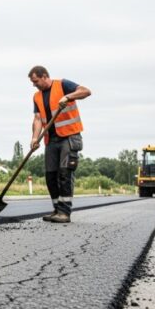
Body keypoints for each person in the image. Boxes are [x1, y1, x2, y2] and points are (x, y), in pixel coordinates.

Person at [28, 65, 91, 223]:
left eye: (36, 81)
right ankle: (56, 209)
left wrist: (68, 97)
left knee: (64, 173)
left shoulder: (63, 85)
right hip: (51, 139)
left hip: (68, 137)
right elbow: (37, 119)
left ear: (44, 76)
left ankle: (64, 212)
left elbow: (86, 91)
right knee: (50, 176)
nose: (34, 85)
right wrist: (35, 138)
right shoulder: (37, 96)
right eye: (33, 82)